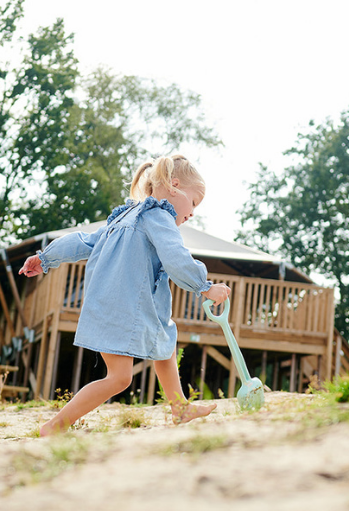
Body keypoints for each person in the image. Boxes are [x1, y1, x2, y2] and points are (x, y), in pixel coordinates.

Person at [19, 154, 231, 436]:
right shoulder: (158, 216)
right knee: (119, 378)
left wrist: (45, 258)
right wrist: (205, 286)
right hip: (124, 307)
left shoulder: (124, 216)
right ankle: (55, 425)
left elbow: (83, 241)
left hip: (112, 304)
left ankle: (180, 408)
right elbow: (175, 257)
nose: (192, 213)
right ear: (174, 185)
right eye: (193, 203)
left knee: (165, 339)